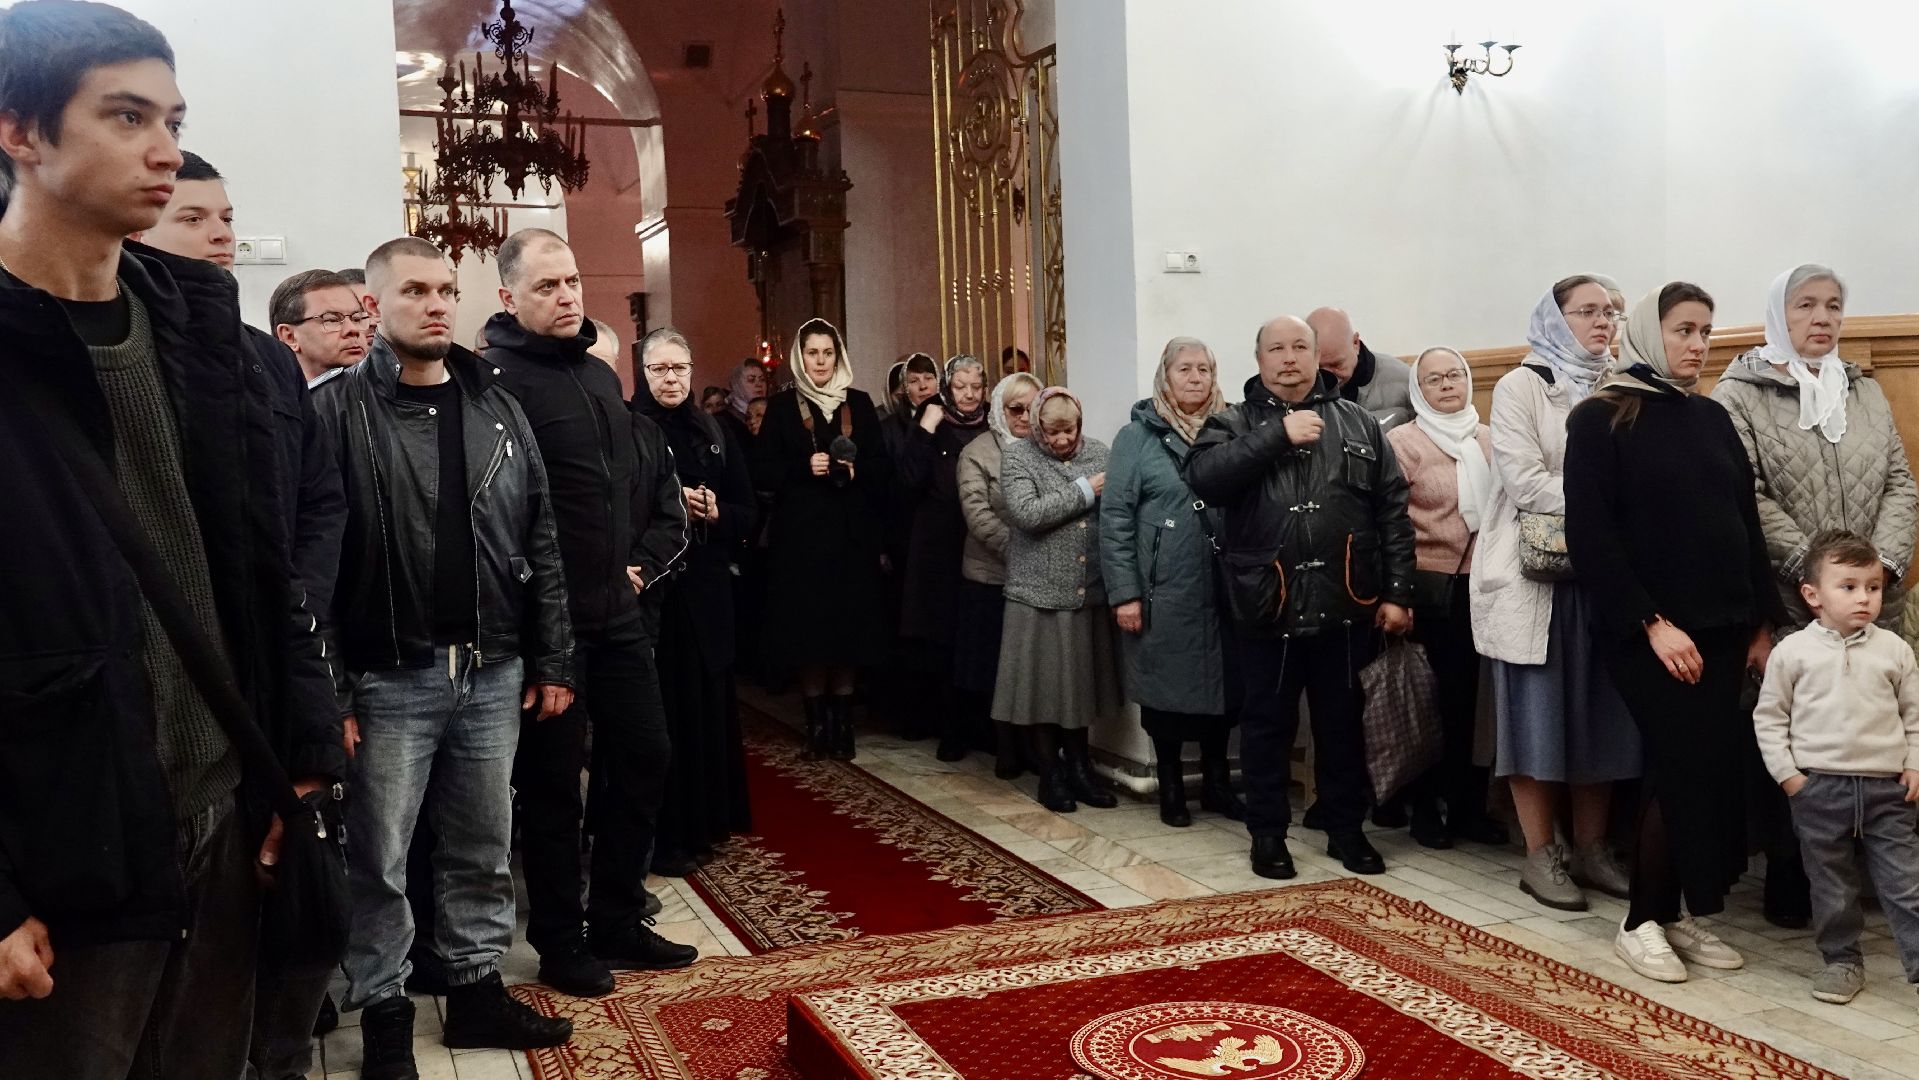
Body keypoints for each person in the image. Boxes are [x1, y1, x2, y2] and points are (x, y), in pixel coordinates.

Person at [0, 8, 343, 1076]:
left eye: (173, 118)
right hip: (67, 856)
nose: (163, 148)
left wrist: (301, 767)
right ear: (23, 131)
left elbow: (259, 572)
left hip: (225, 824)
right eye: (125, 114)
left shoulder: (202, 337)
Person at [312, 238, 578, 1075]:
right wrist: (330, 691)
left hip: (492, 665)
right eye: (415, 291)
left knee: (481, 842)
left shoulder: (495, 403)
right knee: (379, 856)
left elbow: (539, 531)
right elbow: (309, 568)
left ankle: (472, 990)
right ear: (372, 306)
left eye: (445, 290)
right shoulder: (334, 413)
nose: (435, 305)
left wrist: (553, 658)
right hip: (389, 672)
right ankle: (385, 1008)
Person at [138, 153, 359, 1078]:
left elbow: (315, 503)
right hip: (166, 706)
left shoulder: (264, 361)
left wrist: (296, 600)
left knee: (275, 944)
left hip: (274, 664)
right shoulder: (117, 352)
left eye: (227, 217)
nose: (222, 233)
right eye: (194, 218)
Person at [482, 228, 695, 996]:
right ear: (508, 298)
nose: (568, 295)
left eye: (572, 281)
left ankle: (615, 917)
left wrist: (636, 567)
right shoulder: (494, 382)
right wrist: (542, 641)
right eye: (548, 287)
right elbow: (502, 520)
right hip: (551, 627)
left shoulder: (599, 378)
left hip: (616, 615)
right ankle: (560, 940)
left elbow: (632, 485)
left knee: (644, 756)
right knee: (548, 789)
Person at [1565, 282, 1781, 985]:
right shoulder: (1598, 419)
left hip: (1722, 627)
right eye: (1684, 330)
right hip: (1650, 633)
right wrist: (1652, 624)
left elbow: (1742, 524)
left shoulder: (1709, 416)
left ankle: (1673, 910)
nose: (1697, 344)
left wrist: (1760, 623)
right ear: (1651, 334)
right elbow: (1591, 539)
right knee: (1680, 766)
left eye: (1705, 332)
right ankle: (1639, 922)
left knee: (1699, 772)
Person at [1712, 263, 1919, 928]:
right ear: (1780, 312)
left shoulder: (1859, 388)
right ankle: (1788, 871)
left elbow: (1897, 480)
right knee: (1794, 729)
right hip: (1787, 597)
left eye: (1833, 305)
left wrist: (1876, 567)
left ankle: (1867, 870)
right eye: (1805, 305)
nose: (1822, 318)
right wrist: (1814, 571)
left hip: (1867, 596)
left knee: (1865, 722)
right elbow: (1743, 493)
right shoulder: (1737, 392)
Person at [1189, 315, 1414, 879]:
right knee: (1266, 727)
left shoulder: (1360, 423)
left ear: (1318, 356)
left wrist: (1397, 593)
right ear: (1259, 359)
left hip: (1347, 602)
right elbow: (1205, 479)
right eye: (1276, 349)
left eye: (1299, 347)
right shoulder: (1231, 421)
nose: (1288, 358)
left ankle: (1345, 830)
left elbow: (1391, 510)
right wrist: (1275, 436)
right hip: (1267, 602)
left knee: (1342, 727)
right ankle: (1268, 835)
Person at [1471, 276, 1638, 912]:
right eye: (1588, 311)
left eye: (1612, 312)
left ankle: (1594, 850)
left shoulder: (1623, 386)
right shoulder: (1522, 385)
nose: (1603, 322)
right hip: (1536, 579)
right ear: (1555, 317)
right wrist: (1605, 510)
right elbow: (1523, 479)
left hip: (1605, 579)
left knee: (1601, 714)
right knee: (1537, 720)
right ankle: (1543, 854)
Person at [1753, 530, 1919, 1007]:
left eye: (1872, 586)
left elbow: (1913, 715)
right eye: (1848, 587)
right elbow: (1770, 718)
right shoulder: (1792, 653)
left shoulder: (1894, 650)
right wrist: (1790, 777)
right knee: (1832, 886)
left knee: (1906, 883)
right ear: (1812, 595)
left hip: (1889, 791)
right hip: (1819, 790)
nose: (1863, 598)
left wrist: (1912, 765)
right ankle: (1842, 961)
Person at [1101, 337, 1244, 827]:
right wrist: (1124, 594)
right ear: (1165, 374)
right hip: (1165, 591)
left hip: (1224, 587)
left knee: (1224, 692)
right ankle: (1171, 791)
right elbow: (1115, 517)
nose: (1196, 377)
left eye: (1204, 368)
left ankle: (1218, 785)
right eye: (1185, 368)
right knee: (1165, 695)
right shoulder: (1135, 438)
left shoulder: (1234, 428)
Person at [631, 328, 758, 874]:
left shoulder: (714, 430)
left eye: (680, 368)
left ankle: (705, 823)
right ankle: (662, 833)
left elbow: (749, 513)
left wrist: (715, 511)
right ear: (642, 373)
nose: (672, 379)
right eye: (660, 369)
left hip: (705, 593)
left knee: (704, 709)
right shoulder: (627, 428)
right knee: (661, 714)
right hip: (651, 595)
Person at [752, 318, 891, 758]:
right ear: (800, 356)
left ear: (839, 356)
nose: (820, 362)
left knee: (847, 635)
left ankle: (843, 726)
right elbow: (761, 472)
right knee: (809, 636)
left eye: (828, 353)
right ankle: (816, 728)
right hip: (802, 544)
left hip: (851, 541)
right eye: (812, 353)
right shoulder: (780, 407)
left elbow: (885, 470)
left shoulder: (861, 404)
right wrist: (801, 468)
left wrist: (857, 470)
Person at [1385, 347, 1507, 849]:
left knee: (1478, 705)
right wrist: (1395, 593)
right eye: (1434, 379)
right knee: (1432, 703)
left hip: (1488, 586)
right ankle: (1425, 809)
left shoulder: (1488, 438)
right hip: (1430, 589)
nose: (1448, 385)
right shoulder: (1403, 442)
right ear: (1419, 390)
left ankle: (1468, 807)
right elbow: (1389, 521)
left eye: (1455, 375)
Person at [994, 388, 1123, 812]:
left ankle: (1081, 770)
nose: (1063, 441)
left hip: (1087, 591)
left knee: (1079, 691)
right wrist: (1085, 490)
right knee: (1043, 693)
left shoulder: (1101, 454)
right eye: (1053, 433)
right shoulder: (1018, 458)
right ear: (1037, 428)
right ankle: (1050, 775)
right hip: (1038, 595)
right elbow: (1028, 514)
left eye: (1070, 431)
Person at [898, 354, 995, 759]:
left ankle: (982, 728)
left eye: (976, 386)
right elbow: (906, 482)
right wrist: (923, 432)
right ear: (946, 389)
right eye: (961, 387)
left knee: (979, 636)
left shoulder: (995, 425)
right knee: (940, 639)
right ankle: (947, 728)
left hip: (984, 544)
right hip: (937, 546)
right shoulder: (930, 424)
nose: (970, 395)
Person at [957, 371, 1043, 778]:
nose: (1025, 416)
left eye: (1032, 407)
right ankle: (1004, 746)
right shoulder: (977, 451)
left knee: (1032, 668)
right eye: (1016, 408)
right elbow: (978, 515)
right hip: (991, 576)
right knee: (997, 668)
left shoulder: (1049, 448)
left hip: (1039, 580)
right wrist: (1023, 551)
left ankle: (1034, 746)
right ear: (999, 410)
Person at [877, 351, 942, 737]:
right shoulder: (889, 427)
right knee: (904, 626)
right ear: (903, 387)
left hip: (937, 539)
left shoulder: (948, 421)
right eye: (914, 381)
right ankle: (907, 713)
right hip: (903, 536)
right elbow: (892, 488)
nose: (922, 387)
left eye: (928, 379)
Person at [1306, 306, 1413, 432]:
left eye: (1337, 364)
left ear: (1355, 343)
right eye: (1319, 367)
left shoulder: (1406, 381)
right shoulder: (1294, 387)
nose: (1328, 375)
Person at [270, 268, 371, 385]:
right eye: (332, 320)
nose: (352, 329)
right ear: (289, 336)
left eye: (356, 319)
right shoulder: (267, 400)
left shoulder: (385, 395)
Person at [721, 357, 769, 445]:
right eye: (751, 380)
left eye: (762, 379)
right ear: (737, 384)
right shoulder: (723, 421)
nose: (759, 384)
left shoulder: (774, 413)